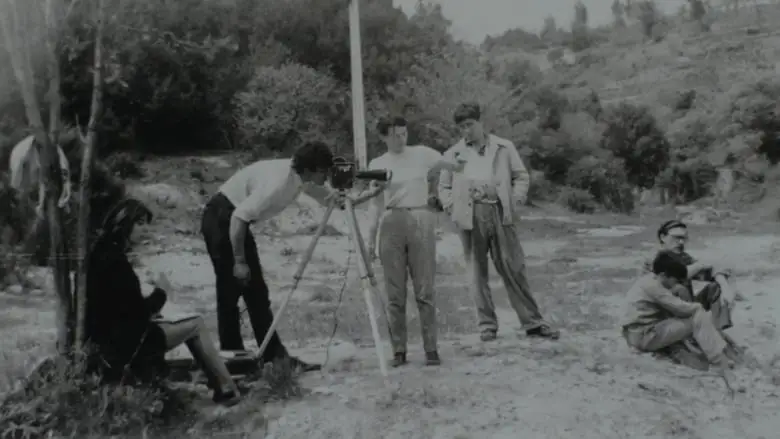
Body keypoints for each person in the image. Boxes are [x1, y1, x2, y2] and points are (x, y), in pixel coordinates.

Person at [85, 198, 241, 406]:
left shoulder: (101, 253)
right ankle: (227, 390)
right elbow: (138, 315)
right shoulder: (116, 262)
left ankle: (219, 384)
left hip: (108, 340)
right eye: (139, 224)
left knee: (180, 323)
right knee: (196, 324)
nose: (144, 231)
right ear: (124, 224)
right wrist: (162, 291)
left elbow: (121, 307)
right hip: (126, 345)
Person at [200, 141, 341, 372]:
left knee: (256, 293)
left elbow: (323, 194)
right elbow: (239, 217)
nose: (326, 176)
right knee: (230, 291)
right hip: (223, 219)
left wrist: (351, 196)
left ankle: (274, 357)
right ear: (310, 169)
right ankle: (234, 362)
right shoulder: (279, 181)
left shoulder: (297, 176)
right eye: (324, 171)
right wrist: (240, 261)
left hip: (234, 221)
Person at [437, 102, 560, 342]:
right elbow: (443, 186)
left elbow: (520, 176)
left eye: (470, 125)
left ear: (481, 122)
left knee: (513, 267)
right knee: (476, 272)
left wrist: (514, 200)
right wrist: (453, 207)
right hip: (470, 216)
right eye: (461, 127)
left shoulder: (504, 147)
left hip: (500, 212)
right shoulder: (453, 154)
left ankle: (533, 322)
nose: (466, 131)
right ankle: (487, 325)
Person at [365, 116, 466, 367]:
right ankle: (399, 350)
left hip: (421, 218)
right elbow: (374, 204)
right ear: (383, 137)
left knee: (425, 289)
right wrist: (370, 240)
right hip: (391, 222)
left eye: (403, 133)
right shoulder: (377, 163)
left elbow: (455, 164)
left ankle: (431, 348)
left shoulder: (422, 153)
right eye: (394, 135)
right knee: (395, 293)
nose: (400, 139)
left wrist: (464, 152)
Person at [621, 250, 737, 390]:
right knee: (697, 317)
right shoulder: (653, 287)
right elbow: (681, 308)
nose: (675, 283)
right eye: (674, 280)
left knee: (692, 310)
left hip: (641, 332)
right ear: (664, 275)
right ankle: (720, 363)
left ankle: (715, 354)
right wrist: (698, 307)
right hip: (644, 336)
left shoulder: (650, 279)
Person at [643, 220, 742, 362]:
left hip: (684, 308)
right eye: (676, 237)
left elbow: (711, 270)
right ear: (663, 237)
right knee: (679, 289)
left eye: (684, 238)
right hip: (660, 315)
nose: (681, 242)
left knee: (715, 288)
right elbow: (679, 275)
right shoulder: (654, 258)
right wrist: (699, 265)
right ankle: (689, 340)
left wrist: (725, 286)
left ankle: (715, 332)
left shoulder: (683, 257)